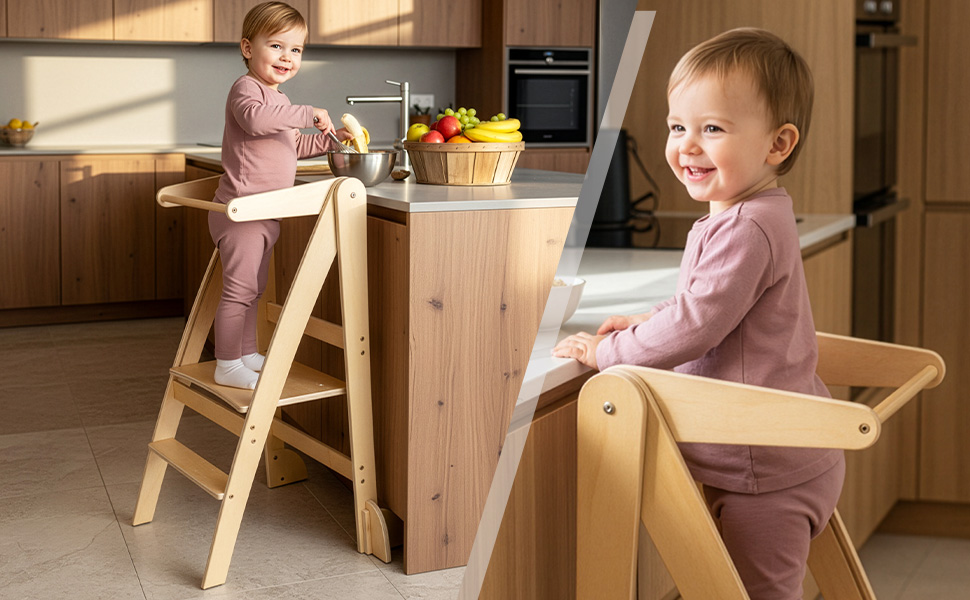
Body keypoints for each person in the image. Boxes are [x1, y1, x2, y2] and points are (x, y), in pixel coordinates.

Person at [553, 28, 843, 600]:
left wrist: (604, 352)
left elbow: (695, 327)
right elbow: (705, 306)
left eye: (711, 128)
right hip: (775, 450)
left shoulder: (746, 226)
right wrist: (642, 322)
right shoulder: (753, 213)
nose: (687, 145)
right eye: (677, 126)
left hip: (762, 468)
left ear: (777, 145)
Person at [209, 1, 350, 389]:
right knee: (238, 292)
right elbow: (255, 121)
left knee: (255, 290)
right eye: (276, 46)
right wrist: (306, 113)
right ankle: (226, 363)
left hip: (267, 212)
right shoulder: (247, 89)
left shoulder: (281, 101)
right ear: (247, 48)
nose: (286, 57)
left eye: (296, 50)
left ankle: (247, 352)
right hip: (242, 213)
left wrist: (328, 141)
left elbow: (292, 148)